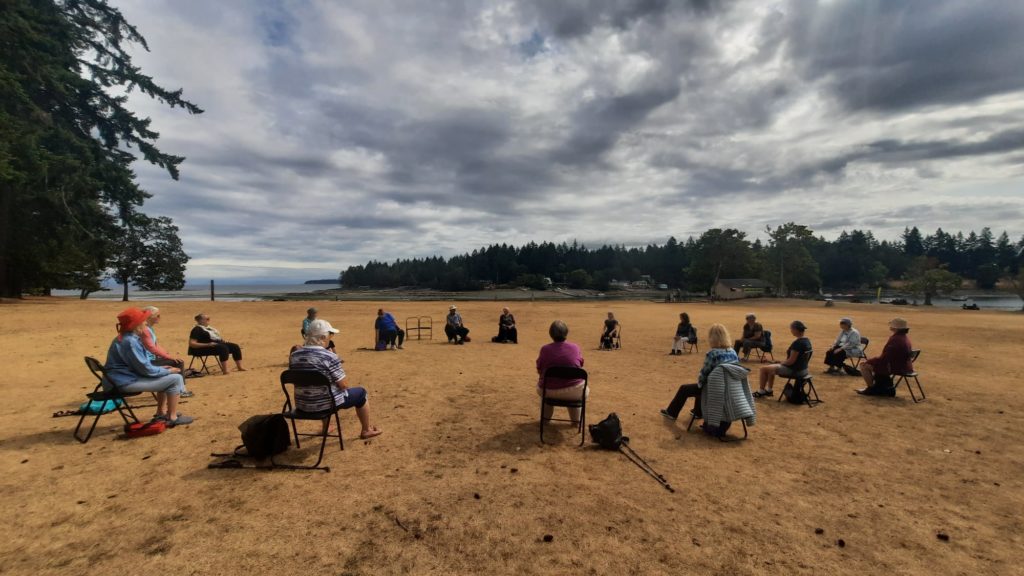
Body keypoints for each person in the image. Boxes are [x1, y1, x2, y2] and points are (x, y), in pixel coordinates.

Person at [289, 319, 382, 439]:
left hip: (302, 405)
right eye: (330, 335)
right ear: (322, 337)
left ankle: (326, 427)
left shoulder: (295, 356)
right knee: (361, 393)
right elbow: (343, 385)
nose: (331, 338)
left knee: (322, 390)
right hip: (324, 405)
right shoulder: (329, 356)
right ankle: (366, 430)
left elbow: (295, 379)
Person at [104, 308, 192, 427]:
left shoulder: (124, 338)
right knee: (175, 378)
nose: (145, 323)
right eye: (143, 321)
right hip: (123, 382)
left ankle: (162, 413)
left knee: (167, 376)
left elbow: (140, 364)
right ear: (136, 325)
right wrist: (167, 370)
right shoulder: (130, 341)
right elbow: (145, 369)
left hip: (119, 379)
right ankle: (172, 417)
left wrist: (163, 369)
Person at [660, 324, 739, 420]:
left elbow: (703, 375)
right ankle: (698, 411)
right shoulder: (733, 352)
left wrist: (701, 383)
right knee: (702, 384)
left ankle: (671, 412)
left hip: (714, 389)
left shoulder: (713, 353)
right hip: (729, 387)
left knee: (687, 388)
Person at [536, 320, 587, 423]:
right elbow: (580, 365)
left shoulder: (545, 349)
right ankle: (576, 420)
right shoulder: (575, 347)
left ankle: (545, 420)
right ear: (566, 332)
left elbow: (539, 370)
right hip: (575, 391)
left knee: (544, 387)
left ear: (551, 334)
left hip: (549, 391)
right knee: (574, 385)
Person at [139, 306, 193, 398]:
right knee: (178, 363)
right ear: (149, 317)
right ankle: (181, 390)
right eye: (158, 315)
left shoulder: (149, 328)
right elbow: (152, 348)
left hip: (151, 359)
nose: (160, 317)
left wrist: (166, 355)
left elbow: (156, 345)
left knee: (174, 360)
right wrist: (169, 357)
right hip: (148, 361)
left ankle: (178, 389)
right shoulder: (145, 329)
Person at [753, 320, 812, 398]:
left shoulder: (798, 343)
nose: (791, 331)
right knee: (771, 367)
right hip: (803, 370)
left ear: (795, 330)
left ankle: (761, 391)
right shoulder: (807, 340)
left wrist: (781, 363)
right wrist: (779, 362)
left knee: (763, 369)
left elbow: (790, 362)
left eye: (791, 329)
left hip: (795, 371)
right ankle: (769, 391)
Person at [857, 318, 914, 396]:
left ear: (896, 327)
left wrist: (870, 361)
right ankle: (878, 387)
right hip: (905, 366)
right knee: (872, 364)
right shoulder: (904, 338)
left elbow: (885, 358)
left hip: (896, 367)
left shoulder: (896, 339)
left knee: (863, 365)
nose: (890, 326)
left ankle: (871, 389)